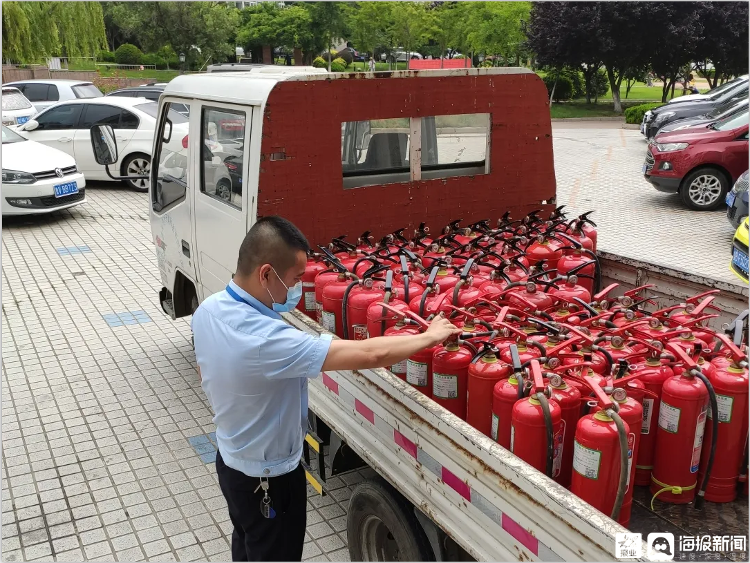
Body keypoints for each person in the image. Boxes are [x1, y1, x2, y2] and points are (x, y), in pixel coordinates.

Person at [192, 216, 461, 562]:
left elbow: (204, 371)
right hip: (270, 480)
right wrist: (430, 337)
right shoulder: (267, 341)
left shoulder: (209, 310)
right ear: (266, 274)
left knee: (246, 544)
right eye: (294, 280)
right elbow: (372, 353)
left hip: (230, 462)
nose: (296, 289)